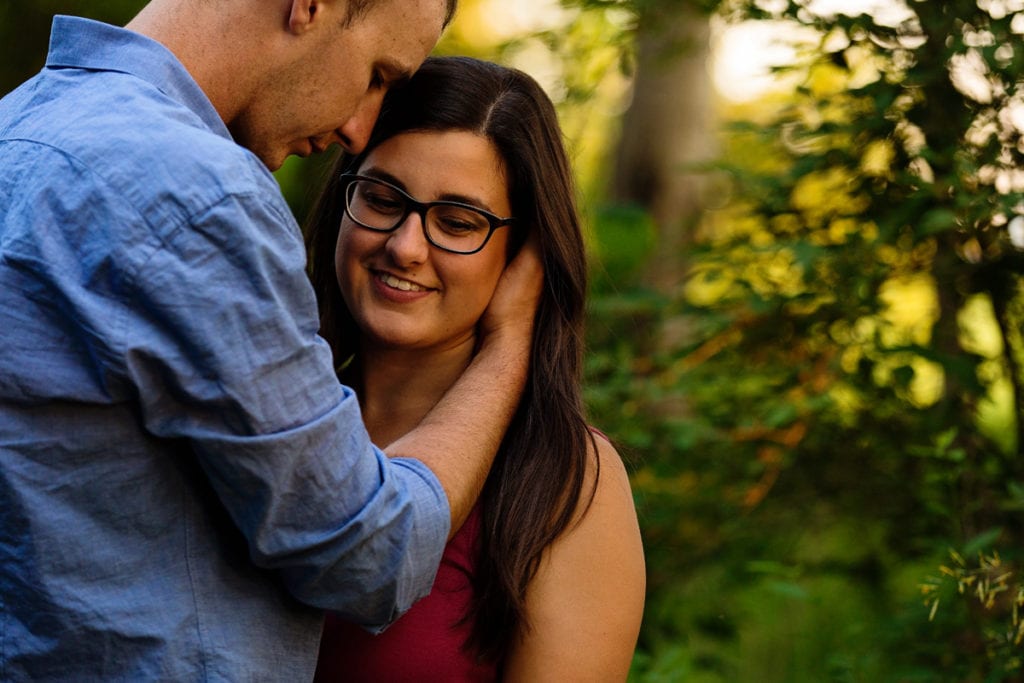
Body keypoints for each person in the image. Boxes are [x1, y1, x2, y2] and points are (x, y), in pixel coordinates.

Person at [0, 1, 543, 679]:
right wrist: (508, 346)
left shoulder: (18, 127)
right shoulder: (198, 193)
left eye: (457, 221)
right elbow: (367, 553)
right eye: (376, 75)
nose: (359, 128)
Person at [306, 56, 646, 681]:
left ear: (525, 256)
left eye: (459, 223)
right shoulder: (266, 416)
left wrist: (510, 342)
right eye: (381, 199)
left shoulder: (563, 481)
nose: (405, 246)